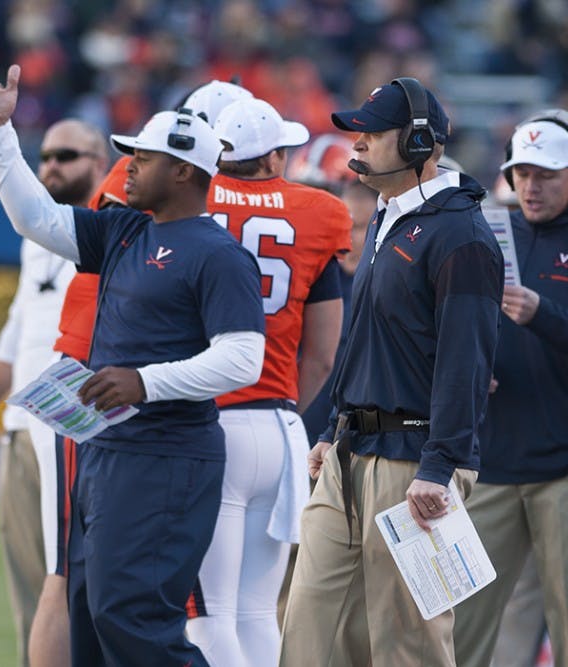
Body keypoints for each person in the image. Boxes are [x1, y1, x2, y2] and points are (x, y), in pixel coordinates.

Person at [0, 51, 266, 666]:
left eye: (143, 157)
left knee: (136, 619)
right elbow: (35, 217)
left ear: (182, 171)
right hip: (104, 449)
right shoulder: (126, 230)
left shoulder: (219, 252)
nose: (127, 166)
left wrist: (144, 382)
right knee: (93, 615)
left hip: (166, 455)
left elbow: (242, 360)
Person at [279, 77, 504, 667]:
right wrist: (332, 428)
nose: (358, 142)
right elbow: (362, 338)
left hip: (414, 463)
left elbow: (467, 361)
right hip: (351, 451)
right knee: (305, 630)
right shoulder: (388, 217)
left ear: (421, 141)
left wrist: (439, 465)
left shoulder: (462, 236)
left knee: (409, 646)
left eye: (373, 132)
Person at [452, 109, 568, 667]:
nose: (531, 187)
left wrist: (543, 315)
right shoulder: (486, 233)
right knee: (461, 635)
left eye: (547, 175)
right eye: (523, 174)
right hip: (489, 463)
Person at [183, 98, 352, 667]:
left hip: (208, 424)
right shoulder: (319, 212)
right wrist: (282, 409)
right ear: (276, 155)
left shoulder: (192, 204)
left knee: (207, 613)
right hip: (280, 426)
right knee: (257, 611)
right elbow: (323, 354)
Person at [0, 118, 108, 667]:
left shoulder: (110, 224)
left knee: (67, 573)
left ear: (100, 160)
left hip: (73, 422)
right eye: (45, 154)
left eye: (66, 154)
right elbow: (17, 330)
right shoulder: (36, 235)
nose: (51, 165)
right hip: (21, 424)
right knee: (27, 575)